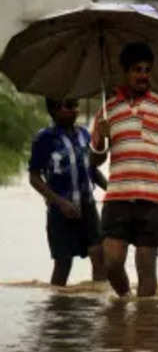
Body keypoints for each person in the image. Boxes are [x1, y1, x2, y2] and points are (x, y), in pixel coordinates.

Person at [91, 42, 158, 297]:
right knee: (112, 263)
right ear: (124, 72)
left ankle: (144, 325)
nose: (142, 75)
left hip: (153, 200)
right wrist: (100, 141)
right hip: (117, 198)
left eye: (147, 70)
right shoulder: (107, 112)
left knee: (146, 266)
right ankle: (125, 301)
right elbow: (95, 161)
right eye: (136, 69)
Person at [29, 97, 106, 286]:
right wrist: (59, 202)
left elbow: (92, 169)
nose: (76, 111)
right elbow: (34, 177)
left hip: (87, 206)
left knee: (99, 255)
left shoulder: (84, 135)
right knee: (63, 263)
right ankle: (58, 309)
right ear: (54, 110)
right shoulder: (44, 139)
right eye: (70, 106)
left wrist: (112, 189)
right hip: (60, 210)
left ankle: (99, 305)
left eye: (76, 106)